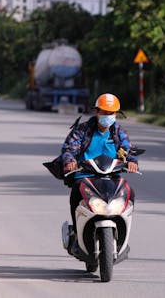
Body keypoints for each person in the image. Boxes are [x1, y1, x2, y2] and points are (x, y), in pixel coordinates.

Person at [61, 93, 139, 235]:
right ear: (97, 112)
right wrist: (70, 161)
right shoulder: (82, 130)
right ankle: (76, 232)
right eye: (104, 112)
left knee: (130, 192)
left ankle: (122, 230)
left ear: (116, 114)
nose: (108, 116)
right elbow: (69, 149)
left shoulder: (119, 132)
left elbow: (128, 149)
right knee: (76, 193)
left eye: (111, 113)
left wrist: (132, 161)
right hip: (86, 176)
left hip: (112, 177)